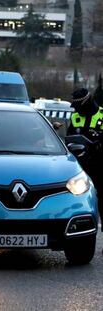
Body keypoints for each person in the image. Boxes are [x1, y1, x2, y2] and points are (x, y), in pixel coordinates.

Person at [67, 88, 103, 250]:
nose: (75, 109)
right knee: (80, 203)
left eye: (76, 104)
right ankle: (79, 239)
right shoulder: (74, 117)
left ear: (86, 101)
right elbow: (68, 140)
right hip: (80, 169)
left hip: (99, 167)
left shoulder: (102, 115)